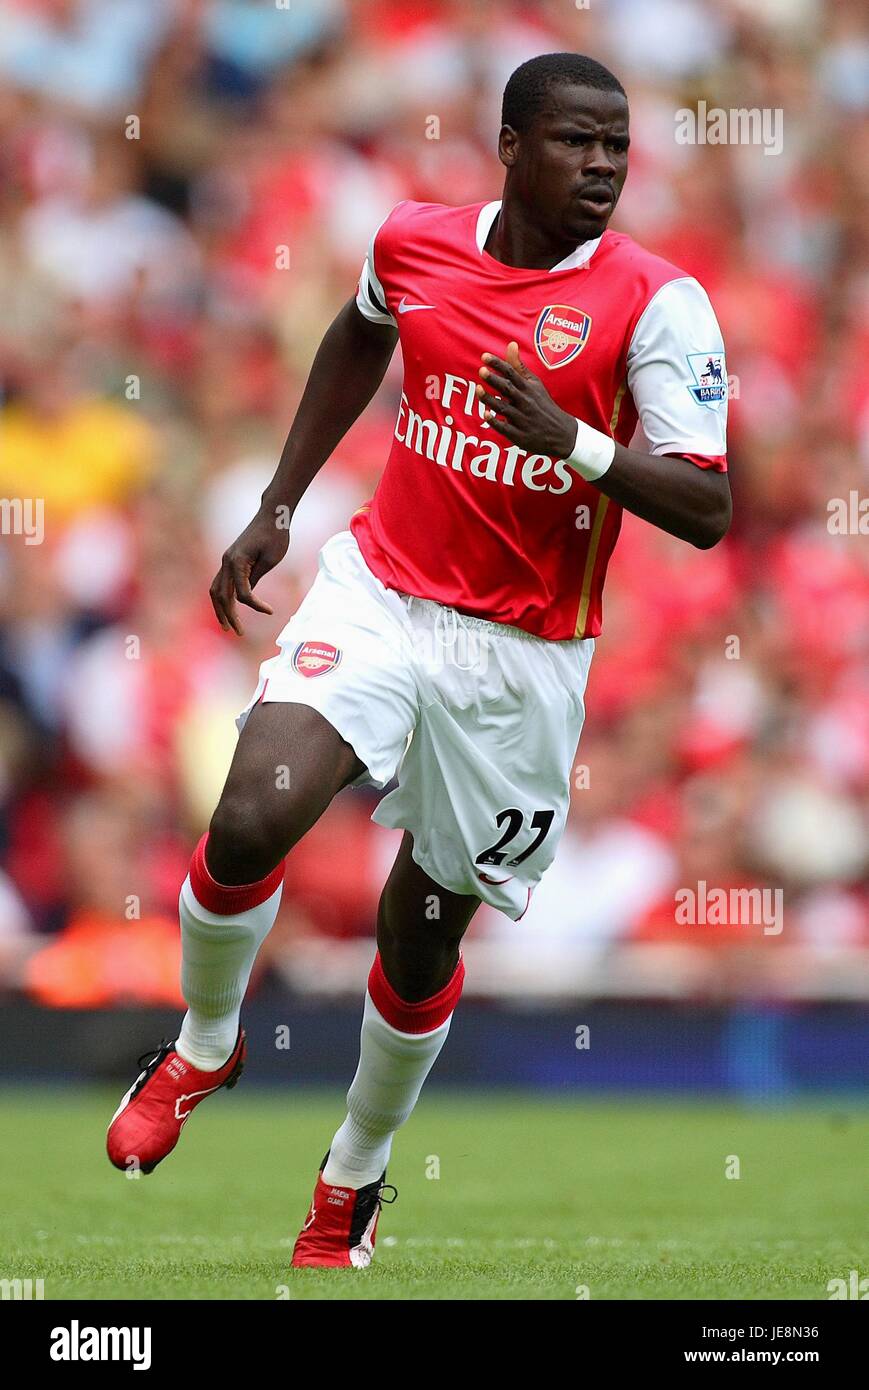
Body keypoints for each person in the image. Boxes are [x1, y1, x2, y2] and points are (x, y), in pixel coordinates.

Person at [107, 52, 731, 1270]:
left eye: (615, 146)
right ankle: (203, 1040)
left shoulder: (658, 304)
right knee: (249, 814)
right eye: (575, 142)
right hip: (384, 593)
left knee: (421, 935)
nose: (601, 166)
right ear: (510, 145)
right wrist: (281, 500)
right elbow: (359, 329)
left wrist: (580, 448)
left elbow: (704, 507)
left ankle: (351, 1173)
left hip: (523, 659)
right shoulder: (412, 241)